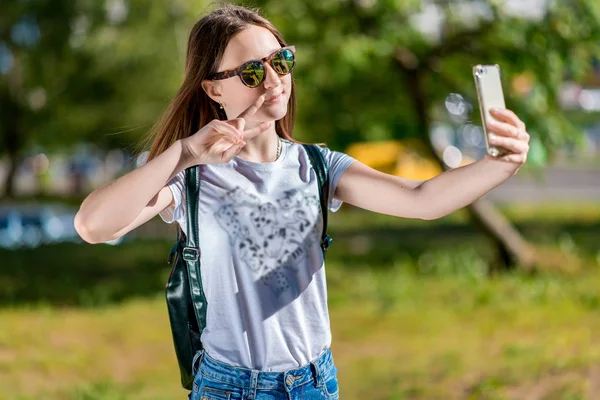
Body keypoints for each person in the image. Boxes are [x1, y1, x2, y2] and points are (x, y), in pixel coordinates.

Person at [73, 3, 530, 399]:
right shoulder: (190, 177)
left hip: (313, 384)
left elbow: (423, 199)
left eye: (281, 61)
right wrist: (187, 152)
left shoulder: (316, 166)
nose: (273, 79)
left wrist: (502, 164)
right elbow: (94, 226)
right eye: (252, 72)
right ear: (213, 88)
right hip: (229, 388)